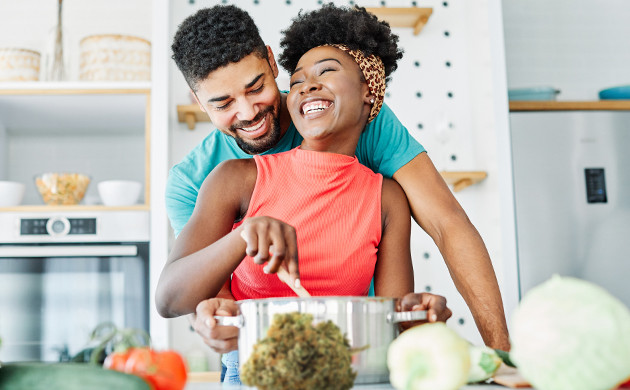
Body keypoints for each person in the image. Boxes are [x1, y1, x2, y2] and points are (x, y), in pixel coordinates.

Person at [165, 2, 508, 355]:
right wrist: (209, 319)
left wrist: (501, 354)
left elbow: (446, 223)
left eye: (256, 88)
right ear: (198, 102)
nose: (248, 112)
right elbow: (201, 295)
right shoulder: (196, 182)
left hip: (359, 350)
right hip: (263, 357)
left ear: (270, 61)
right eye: (222, 104)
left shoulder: (356, 119)